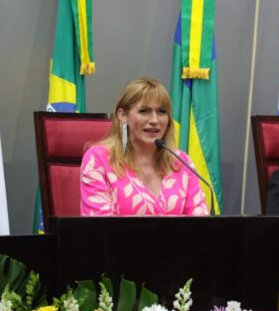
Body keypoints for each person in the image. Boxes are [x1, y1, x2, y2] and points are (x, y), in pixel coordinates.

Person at [80, 77, 209, 216]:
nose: (154, 120)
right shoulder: (99, 160)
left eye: (162, 112)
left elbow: (200, 225)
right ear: (123, 116)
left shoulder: (181, 162)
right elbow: (100, 229)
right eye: (144, 111)